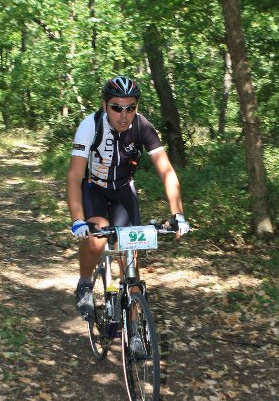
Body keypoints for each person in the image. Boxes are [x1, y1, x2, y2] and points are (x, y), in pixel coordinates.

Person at [66, 75, 190, 324]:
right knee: (98, 233)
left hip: (124, 190)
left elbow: (166, 171)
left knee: (129, 258)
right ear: (105, 106)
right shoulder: (90, 125)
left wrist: (178, 214)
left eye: (130, 108)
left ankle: (134, 330)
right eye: (116, 108)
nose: (124, 115)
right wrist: (78, 219)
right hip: (94, 187)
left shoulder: (142, 126)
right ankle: (85, 283)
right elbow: (74, 175)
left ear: (136, 108)